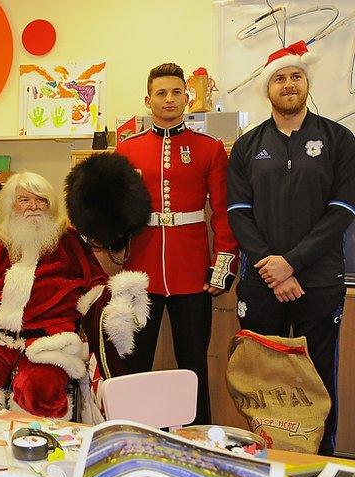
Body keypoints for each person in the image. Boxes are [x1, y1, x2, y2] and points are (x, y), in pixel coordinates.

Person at [0, 171, 148, 434]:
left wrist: (116, 303)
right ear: (9, 204)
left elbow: (95, 287)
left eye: (41, 200)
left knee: (38, 388)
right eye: (24, 200)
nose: (33, 207)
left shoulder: (68, 241)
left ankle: (36, 449)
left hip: (49, 341)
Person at [227, 40, 354, 456]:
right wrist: (272, 269)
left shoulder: (339, 138)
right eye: (279, 78)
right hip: (262, 284)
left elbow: (342, 208)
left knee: (318, 380)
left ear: (306, 83)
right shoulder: (247, 145)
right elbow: (238, 212)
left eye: (295, 76)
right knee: (262, 379)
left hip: (317, 282)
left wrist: (292, 264)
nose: (288, 84)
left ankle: (322, 462)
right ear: (267, 89)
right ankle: (266, 459)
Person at [116, 63, 238, 425]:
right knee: (135, 362)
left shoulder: (210, 148)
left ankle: (196, 436)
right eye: (161, 93)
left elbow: (223, 213)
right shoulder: (128, 150)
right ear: (148, 99)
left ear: (187, 96)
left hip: (191, 272)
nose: (169, 99)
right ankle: (133, 431)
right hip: (141, 271)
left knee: (193, 364)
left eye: (176, 92)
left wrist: (222, 268)